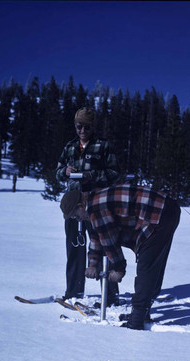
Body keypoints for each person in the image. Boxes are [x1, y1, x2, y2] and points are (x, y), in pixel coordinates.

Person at [59, 184, 181, 330]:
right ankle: (142, 313)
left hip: (159, 213)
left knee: (147, 267)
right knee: (151, 265)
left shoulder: (96, 208)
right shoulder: (92, 204)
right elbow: (96, 236)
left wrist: (119, 269)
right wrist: (92, 264)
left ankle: (137, 320)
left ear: (81, 205)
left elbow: (109, 241)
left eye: (75, 215)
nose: (77, 219)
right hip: (164, 210)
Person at [55, 107, 121, 304]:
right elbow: (57, 173)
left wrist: (92, 176)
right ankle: (74, 291)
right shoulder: (69, 147)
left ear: (93, 127)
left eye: (86, 127)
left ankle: (110, 294)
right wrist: (65, 172)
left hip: (96, 203)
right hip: (74, 206)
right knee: (74, 247)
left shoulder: (103, 146)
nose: (82, 130)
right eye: (79, 126)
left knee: (103, 245)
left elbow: (115, 173)